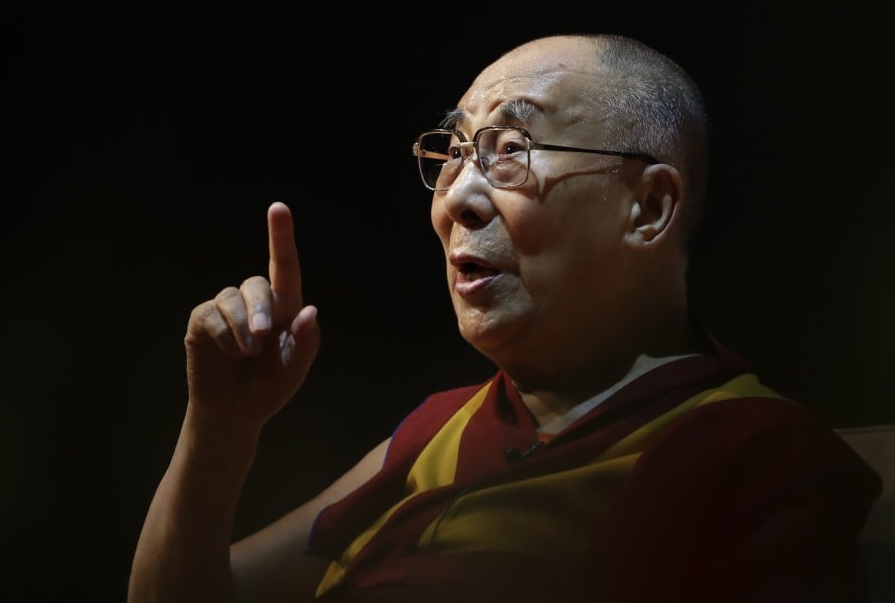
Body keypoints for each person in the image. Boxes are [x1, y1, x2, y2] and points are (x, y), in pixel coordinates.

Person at [127, 33, 882, 602]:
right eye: (454, 152)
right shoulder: (439, 432)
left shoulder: (748, 455)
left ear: (648, 207)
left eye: (512, 149)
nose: (456, 199)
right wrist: (221, 426)